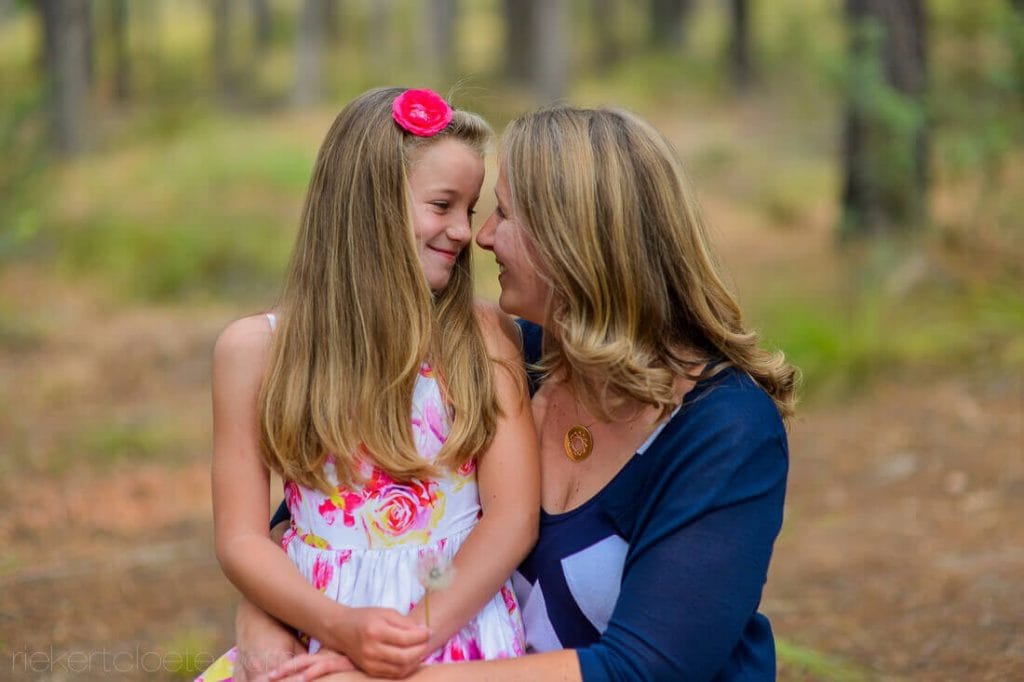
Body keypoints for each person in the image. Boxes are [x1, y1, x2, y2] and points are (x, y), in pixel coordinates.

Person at [248, 104, 797, 682]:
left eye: (502, 214)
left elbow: (648, 668)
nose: (478, 236)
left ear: (576, 240)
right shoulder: (501, 360)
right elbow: (333, 507)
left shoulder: (723, 427)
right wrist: (267, 619)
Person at [196, 87, 540, 681]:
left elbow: (510, 519)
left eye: (472, 207)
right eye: (442, 205)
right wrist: (336, 627)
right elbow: (242, 539)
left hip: (450, 622)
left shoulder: (479, 336)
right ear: (370, 205)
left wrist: (407, 638)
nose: (463, 231)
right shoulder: (255, 352)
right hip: (312, 625)